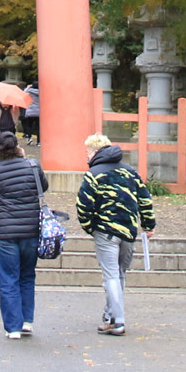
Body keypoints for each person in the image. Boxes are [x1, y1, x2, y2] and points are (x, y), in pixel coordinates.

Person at [74, 134, 155, 336]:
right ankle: (110, 315)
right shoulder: (130, 172)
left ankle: (117, 320)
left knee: (110, 275)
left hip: (105, 230)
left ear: (94, 152)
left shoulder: (94, 174)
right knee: (119, 274)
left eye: (87, 151)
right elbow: (145, 199)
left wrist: (89, 226)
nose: (86, 155)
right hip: (128, 230)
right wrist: (148, 224)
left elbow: (84, 204)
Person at [0, 131, 46, 339]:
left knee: (8, 279)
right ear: (18, 147)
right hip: (30, 230)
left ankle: (13, 327)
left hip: (5, 232)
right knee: (27, 276)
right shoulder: (33, 166)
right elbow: (42, 188)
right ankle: (27, 320)